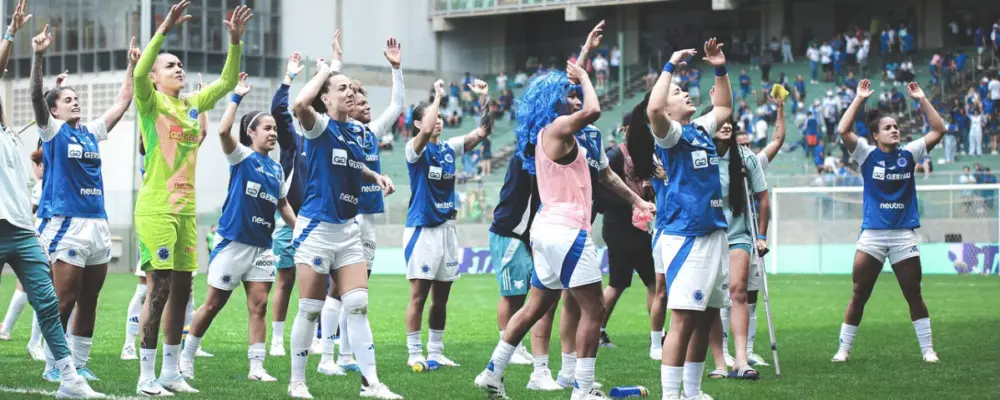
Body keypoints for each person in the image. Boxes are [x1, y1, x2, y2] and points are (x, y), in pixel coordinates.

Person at [475, 50, 653, 400]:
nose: (574, 100)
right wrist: (585, 77)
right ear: (551, 103)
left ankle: (492, 373)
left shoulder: (559, 133)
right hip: (567, 231)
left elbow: (606, 176)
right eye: (567, 96)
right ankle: (583, 389)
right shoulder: (556, 128)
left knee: (536, 306)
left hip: (549, 230)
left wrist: (637, 200)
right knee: (595, 308)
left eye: (573, 94)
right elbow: (595, 110)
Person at [132, 1, 250, 395]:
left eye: (180, 64)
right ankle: (146, 375)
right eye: (170, 65)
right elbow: (139, 69)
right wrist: (164, 28)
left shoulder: (189, 105)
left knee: (181, 294)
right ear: (155, 76)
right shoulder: (151, 103)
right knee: (159, 288)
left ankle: (169, 372)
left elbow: (227, 82)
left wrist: (235, 43)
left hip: (186, 212)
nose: (178, 69)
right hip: (156, 209)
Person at [0, 2, 103, 397]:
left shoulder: (10, 133)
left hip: (23, 229)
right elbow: (31, 95)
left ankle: (69, 380)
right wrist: (13, 37)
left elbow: (41, 111)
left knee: (46, 302)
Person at [287, 48, 399, 399]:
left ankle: (371, 384)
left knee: (358, 306)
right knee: (309, 310)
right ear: (326, 97)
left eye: (352, 88)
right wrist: (325, 72)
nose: (350, 92)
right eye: (342, 89)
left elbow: (351, 164)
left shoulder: (356, 132)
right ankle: (297, 382)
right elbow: (298, 106)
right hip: (317, 229)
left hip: (348, 231)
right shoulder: (319, 127)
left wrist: (375, 175)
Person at [31, 22, 137, 382]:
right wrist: (38, 57)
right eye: (68, 99)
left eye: (78, 98)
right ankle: (53, 363)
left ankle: (79, 361)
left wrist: (131, 66)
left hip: (98, 223)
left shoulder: (90, 132)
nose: (75, 101)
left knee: (90, 298)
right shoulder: (53, 131)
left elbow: (123, 102)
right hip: (65, 222)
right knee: (65, 298)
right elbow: (35, 97)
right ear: (54, 111)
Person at [179, 72, 295, 383]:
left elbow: (283, 206)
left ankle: (256, 367)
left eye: (274, 129)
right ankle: (186, 355)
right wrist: (236, 97)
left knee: (259, 306)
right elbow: (222, 130)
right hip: (233, 242)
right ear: (251, 132)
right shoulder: (241, 156)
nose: (273, 133)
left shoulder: (276, 168)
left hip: (262, 247)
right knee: (214, 304)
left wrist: (299, 232)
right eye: (266, 128)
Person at [832, 79, 944, 364]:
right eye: (888, 127)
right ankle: (844, 350)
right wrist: (858, 98)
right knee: (859, 293)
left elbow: (938, 129)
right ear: (875, 135)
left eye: (896, 127)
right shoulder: (866, 155)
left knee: (913, 294)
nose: (895, 130)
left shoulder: (910, 153)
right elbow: (843, 130)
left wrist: (921, 98)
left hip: (903, 235)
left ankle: (927, 349)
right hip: (872, 235)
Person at [644, 39, 732, 400]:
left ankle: (692, 393)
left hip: (713, 233)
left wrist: (720, 67)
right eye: (678, 92)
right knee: (681, 320)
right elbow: (652, 109)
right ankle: (670, 395)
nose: (686, 94)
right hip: (686, 238)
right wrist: (669, 66)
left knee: (705, 317)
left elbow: (724, 106)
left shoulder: (699, 131)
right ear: (667, 107)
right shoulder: (671, 137)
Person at [320, 36, 404, 375]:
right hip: (345, 217)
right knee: (337, 291)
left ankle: (344, 356)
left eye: (368, 99)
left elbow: (397, 107)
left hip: (369, 218)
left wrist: (396, 68)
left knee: (356, 291)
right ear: (345, 105)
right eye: (358, 100)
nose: (366, 104)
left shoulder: (370, 133)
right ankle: (326, 355)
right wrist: (334, 63)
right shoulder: (337, 132)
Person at [403, 78, 492, 368]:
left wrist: (483, 99)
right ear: (417, 124)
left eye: (440, 117)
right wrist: (438, 96)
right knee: (419, 296)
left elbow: (483, 131)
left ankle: (436, 350)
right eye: (431, 117)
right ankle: (415, 353)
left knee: (441, 297)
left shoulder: (449, 149)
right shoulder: (413, 150)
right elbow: (427, 130)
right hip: (422, 230)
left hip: (447, 230)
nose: (437, 121)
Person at [596, 109, 659, 359]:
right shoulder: (614, 155)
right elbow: (600, 194)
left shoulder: (648, 156)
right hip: (619, 227)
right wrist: (632, 203)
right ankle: (597, 330)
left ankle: (658, 333)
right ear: (625, 131)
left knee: (655, 281)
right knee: (617, 283)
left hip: (643, 227)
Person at [267, 52, 309, 359]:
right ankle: (278, 339)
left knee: (317, 284)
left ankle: (318, 337)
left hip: (320, 221)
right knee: (286, 279)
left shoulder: (326, 137)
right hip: (289, 220)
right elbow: (279, 110)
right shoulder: (294, 142)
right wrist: (289, 77)